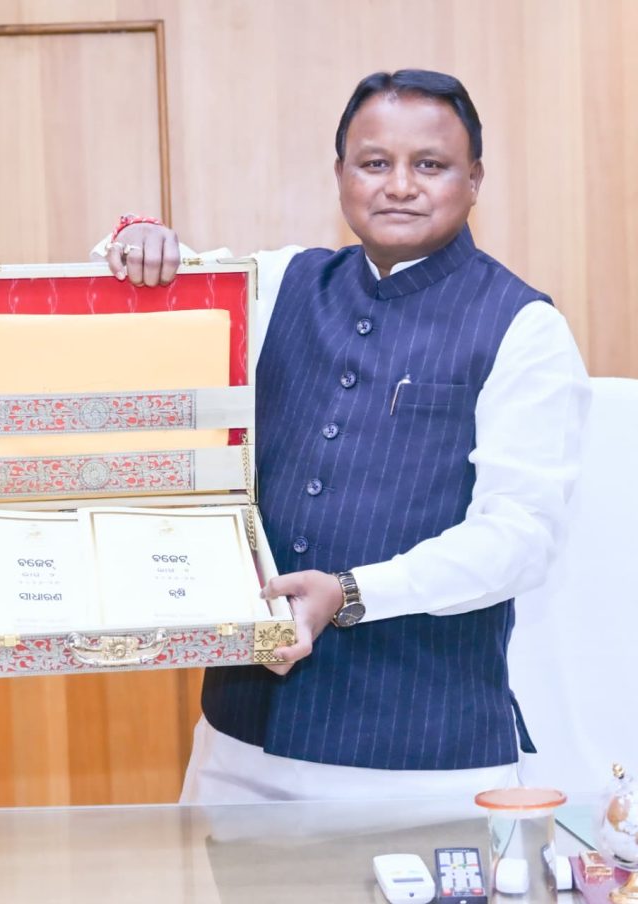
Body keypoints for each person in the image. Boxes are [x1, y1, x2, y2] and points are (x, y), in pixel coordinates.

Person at [93, 69, 590, 804]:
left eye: (429, 164)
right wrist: (136, 242)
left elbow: (520, 539)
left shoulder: (526, 327)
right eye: (374, 163)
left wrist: (352, 592)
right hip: (236, 745)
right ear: (340, 175)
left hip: (422, 762)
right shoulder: (279, 281)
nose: (399, 186)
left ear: (475, 179)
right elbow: (146, 293)